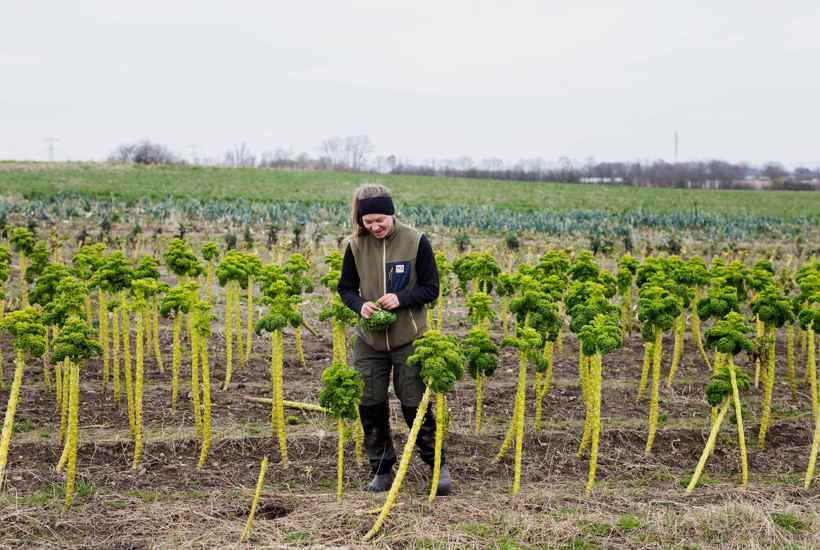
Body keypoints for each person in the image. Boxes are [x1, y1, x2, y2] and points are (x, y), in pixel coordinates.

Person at [337, 183, 450, 494]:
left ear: (391, 214)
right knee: (369, 401)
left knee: (415, 403)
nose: (375, 227)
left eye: (380, 220)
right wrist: (361, 305)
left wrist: (402, 299)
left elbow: (432, 288)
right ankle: (382, 469)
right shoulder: (354, 246)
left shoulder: (416, 241)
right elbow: (345, 289)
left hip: (409, 338)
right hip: (369, 340)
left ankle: (437, 466)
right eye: (368, 222)